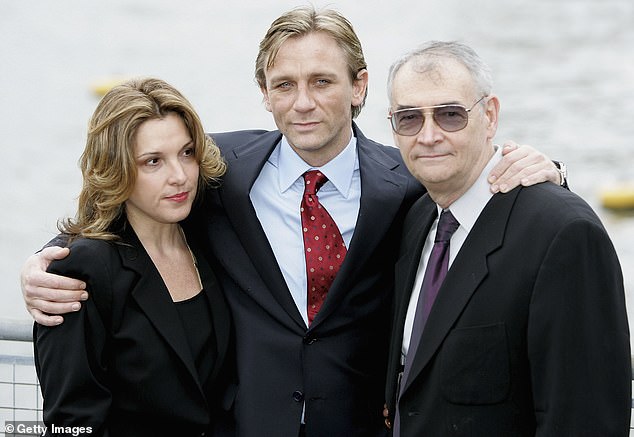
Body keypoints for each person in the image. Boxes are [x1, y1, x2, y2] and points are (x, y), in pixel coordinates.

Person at [22, 7, 564, 437]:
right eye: (284, 84)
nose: (302, 103)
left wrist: (549, 174)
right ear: (264, 92)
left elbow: (480, 196)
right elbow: (129, 195)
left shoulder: (409, 181)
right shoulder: (215, 172)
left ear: (358, 87)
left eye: (322, 82)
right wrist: (48, 262)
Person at [383, 41, 631, 436]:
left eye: (450, 115)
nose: (428, 135)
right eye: (409, 118)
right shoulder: (415, 220)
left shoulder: (563, 234)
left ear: (490, 116)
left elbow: (586, 419)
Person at [33, 78, 233, 436]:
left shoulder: (209, 234)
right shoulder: (82, 271)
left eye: (187, 153)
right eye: (153, 161)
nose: (179, 176)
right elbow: (72, 423)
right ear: (116, 169)